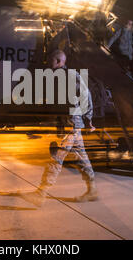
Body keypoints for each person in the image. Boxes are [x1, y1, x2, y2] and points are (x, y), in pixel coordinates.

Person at [20, 50, 97, 207]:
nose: (48, 62)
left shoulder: (70, 76)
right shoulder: (55, 76)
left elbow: (86, 95)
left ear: (58, 61)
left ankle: (41, 194)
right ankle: (92, 190)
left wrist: (88, 120)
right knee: (82, 158)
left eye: (50, 60)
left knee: (56, 157)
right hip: (68, 123)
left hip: (71, 123)